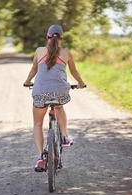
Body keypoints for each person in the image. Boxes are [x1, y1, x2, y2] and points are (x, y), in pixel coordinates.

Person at [23, 24, 87, 172]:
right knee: (59, 107)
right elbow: (74, 72)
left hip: (39, 91)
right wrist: (81, 84)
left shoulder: (39, 51)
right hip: (60, 91)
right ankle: (64, 136)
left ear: (47, 37)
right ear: (61, 38)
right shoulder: (66, 53)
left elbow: (34, 69)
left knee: (38, 124)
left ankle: (40, 157)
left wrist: (27, 82)